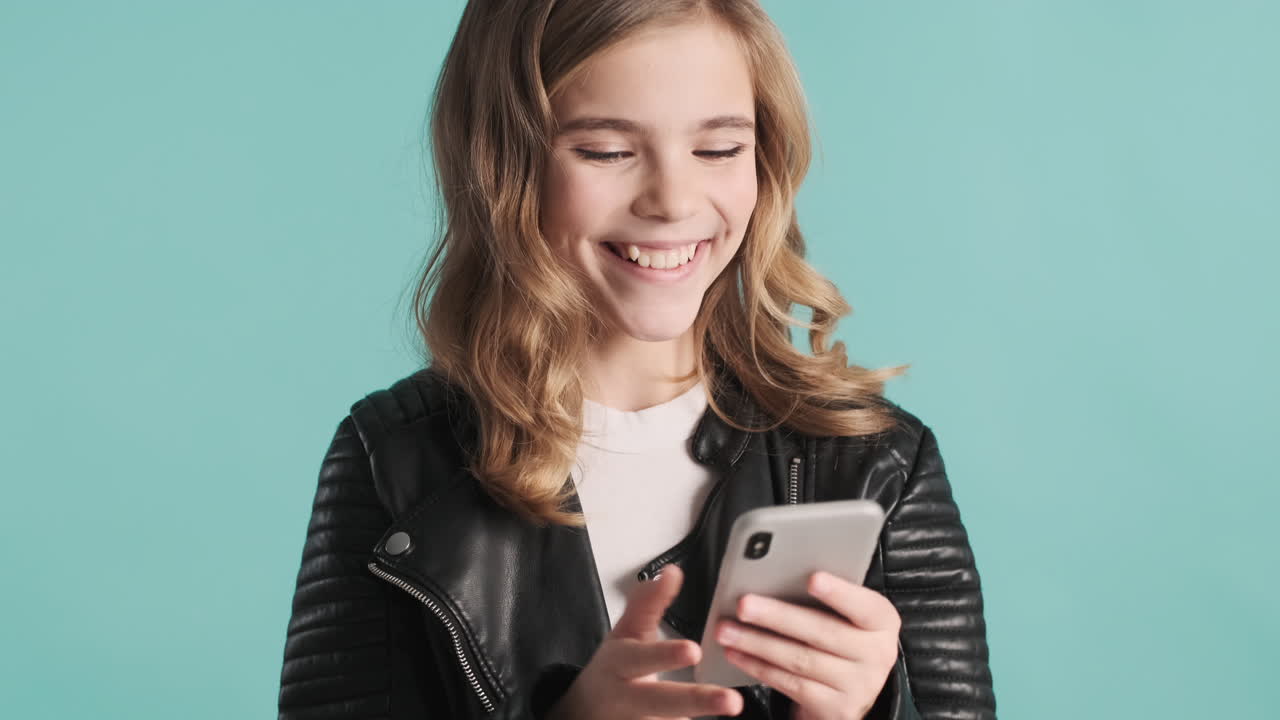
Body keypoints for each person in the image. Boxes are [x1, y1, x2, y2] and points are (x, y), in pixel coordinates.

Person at [277, 1, 995, 718]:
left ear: (765, 160)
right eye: (606, 151)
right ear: (501, 162)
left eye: (717, 150)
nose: (672, 200)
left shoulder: (879, 463)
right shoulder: (396, 459)